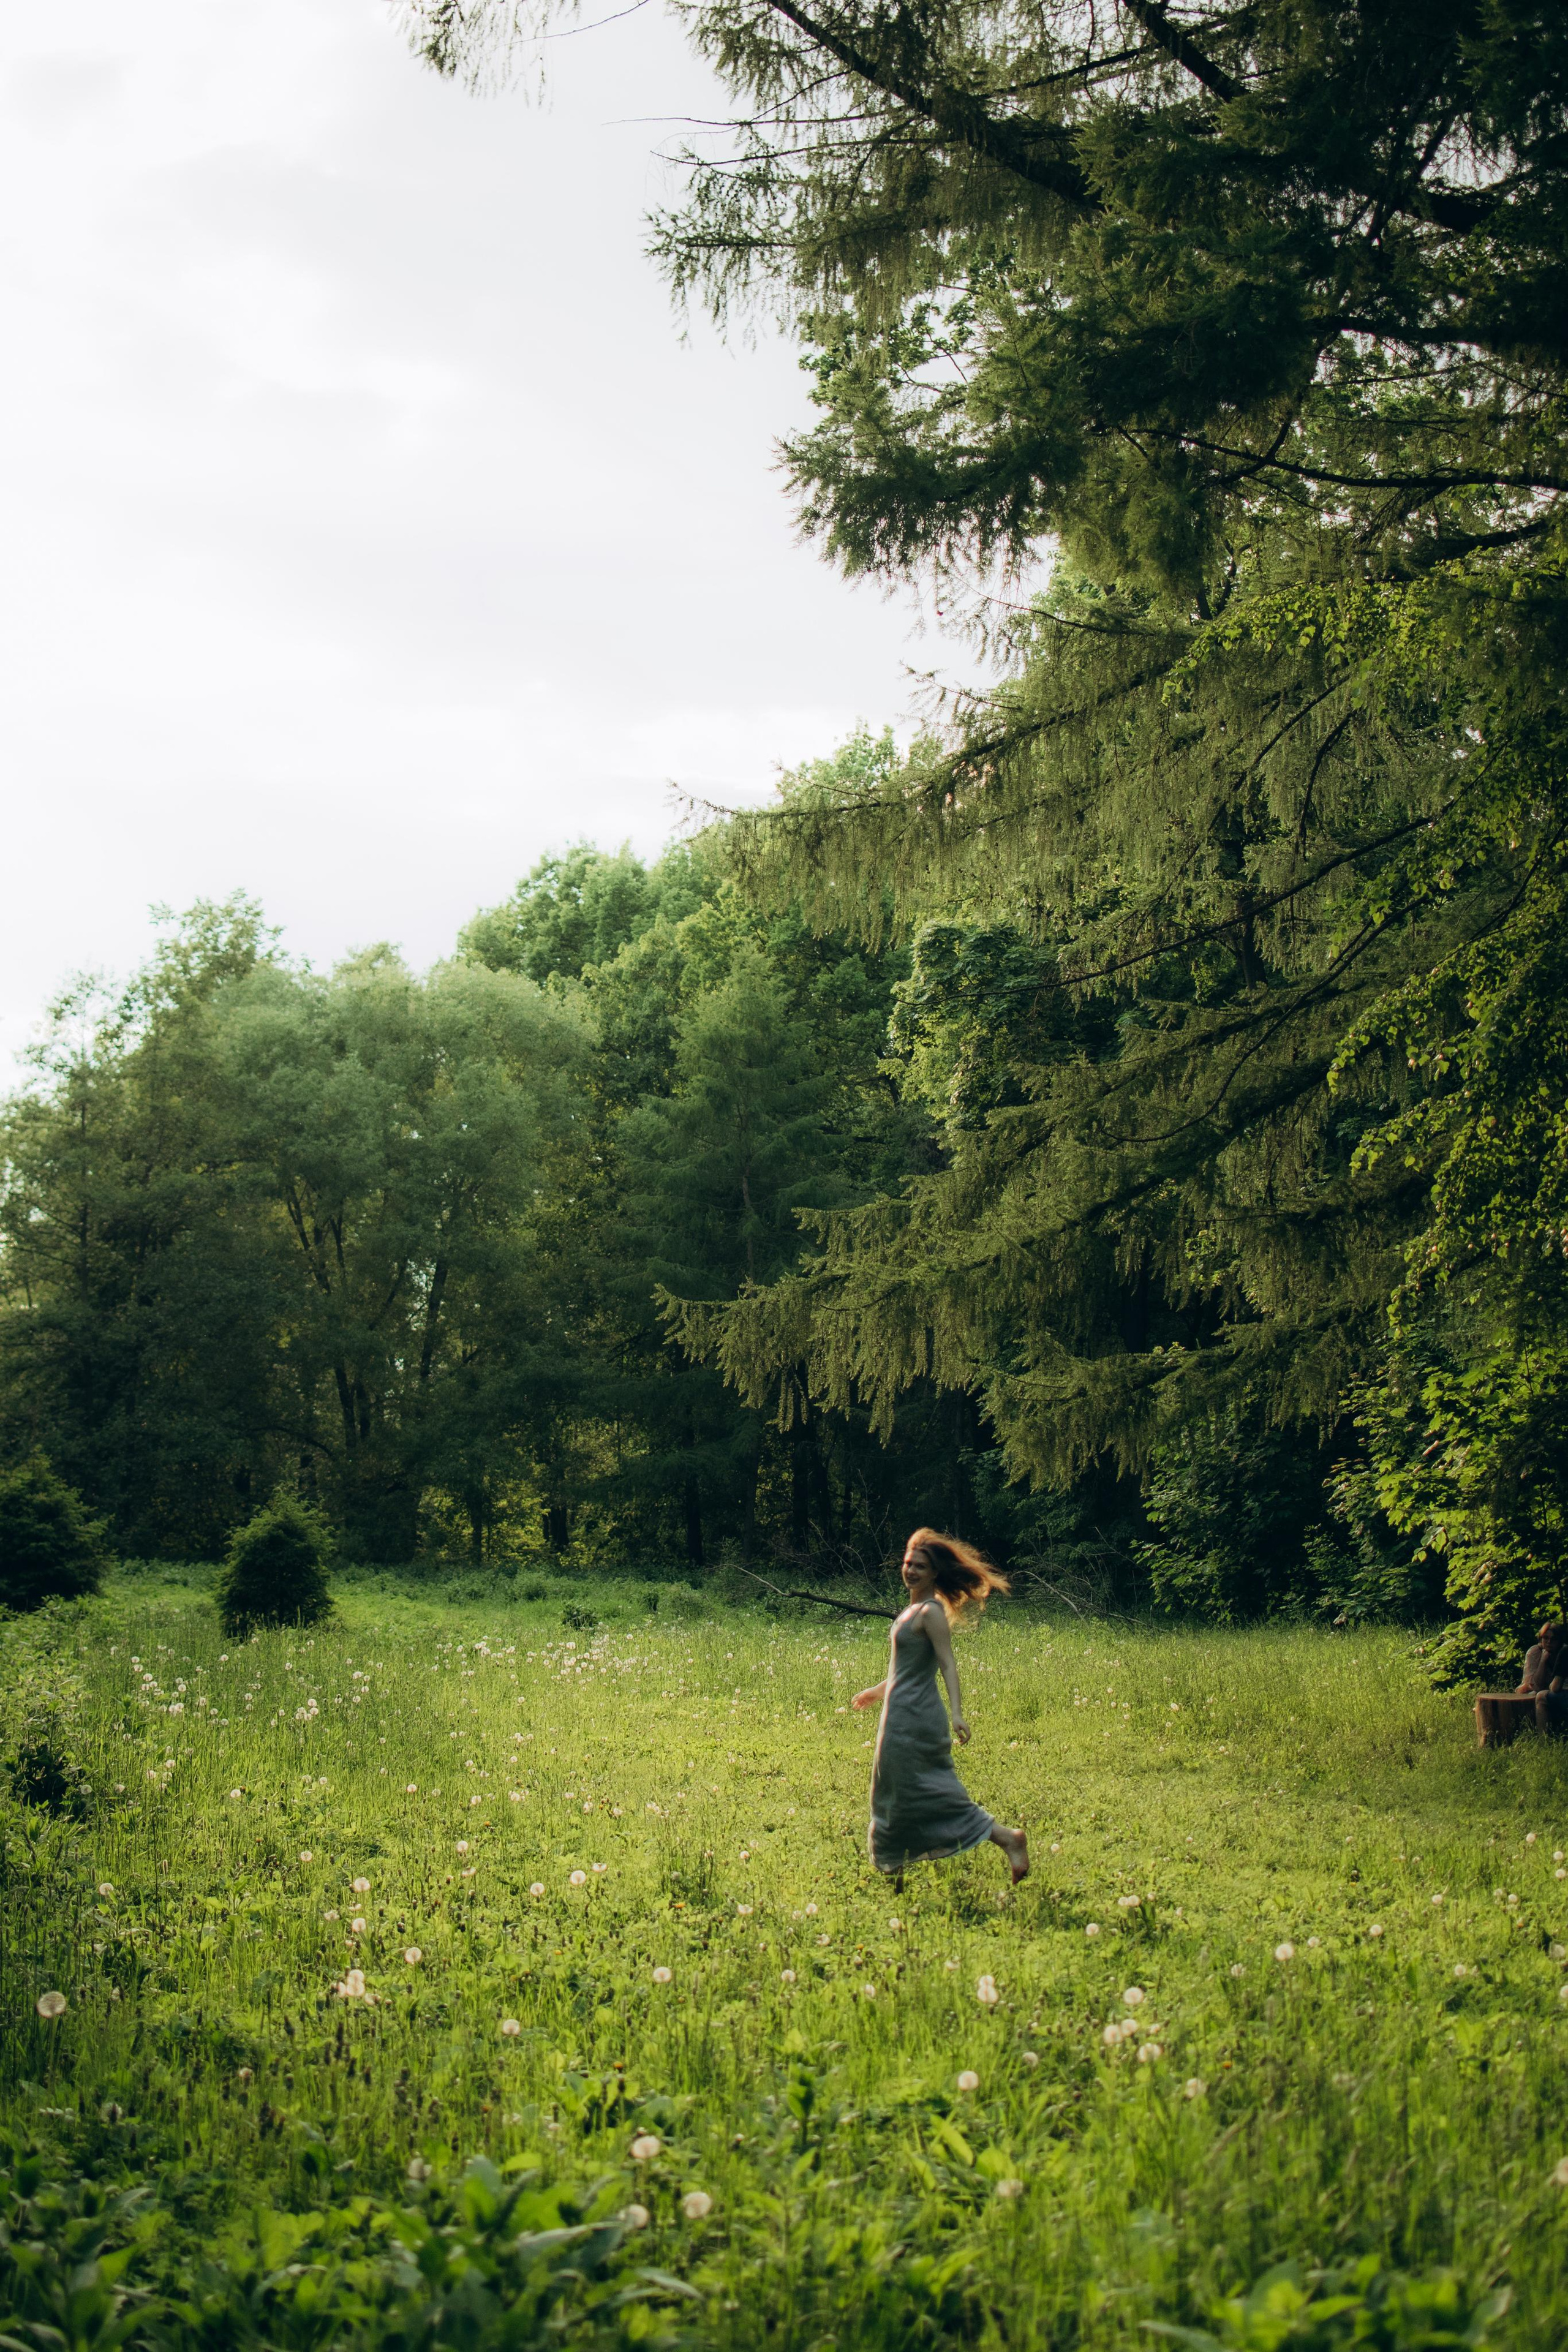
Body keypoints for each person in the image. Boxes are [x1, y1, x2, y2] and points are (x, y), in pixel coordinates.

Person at [852, 1526, 1029, 1889]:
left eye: (920, 1566)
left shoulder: (930, 1612)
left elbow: (946, 1663)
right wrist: (876, 1691)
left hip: (916, 1718)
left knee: (925, 1790)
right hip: (898, 1713)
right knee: (893, 1790)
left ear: (934, 1573)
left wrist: (958, 1713)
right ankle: (894, 1870)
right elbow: (905, 1671)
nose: (911, 1570)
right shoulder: (911, 1610)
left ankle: (1008, 1839)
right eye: (908, 1563)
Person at [1516, 1621, 1568, 1695]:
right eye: (1546, 1638)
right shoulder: (1534, 1652)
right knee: (1534, 1695)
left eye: (1554, 1639)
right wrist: (1543, 1661)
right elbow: (1536, 1687)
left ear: (1560, 1641)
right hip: (1535, 1691)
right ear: (1541, 1639)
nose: (1549, 1642)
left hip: (1559, 1691)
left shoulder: (1565, 1652)